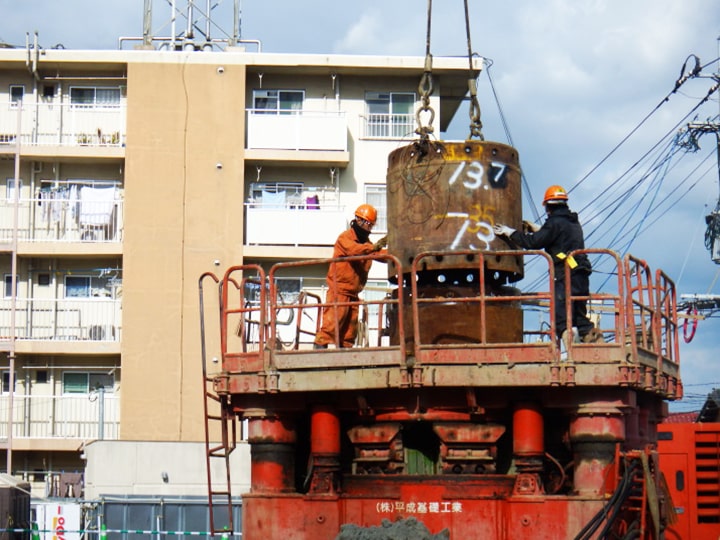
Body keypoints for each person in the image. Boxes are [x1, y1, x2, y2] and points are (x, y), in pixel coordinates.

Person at [493, 185, 603, 344]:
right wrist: (540, 229)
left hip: (566, 274)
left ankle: (572, 356)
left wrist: (510, 233)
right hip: (580, 272)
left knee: (563, 318)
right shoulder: (573, 222)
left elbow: (534, 242)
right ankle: (598, 344)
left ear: (548, 206)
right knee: (580, 316)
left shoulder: (554, 223)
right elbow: (557, 237)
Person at [313, 204, 387, 349]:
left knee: (348, 335)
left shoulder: (366, 244)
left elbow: (378, 254)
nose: (369, 228)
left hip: (353, 294)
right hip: (339, 291)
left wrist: (396, 251)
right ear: (360, 221)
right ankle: (318, 352)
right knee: (330, 327)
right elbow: (354, 250)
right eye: (369, 224)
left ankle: (344, 360)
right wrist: (374, 247)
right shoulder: (345, 238)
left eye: (372, 225)